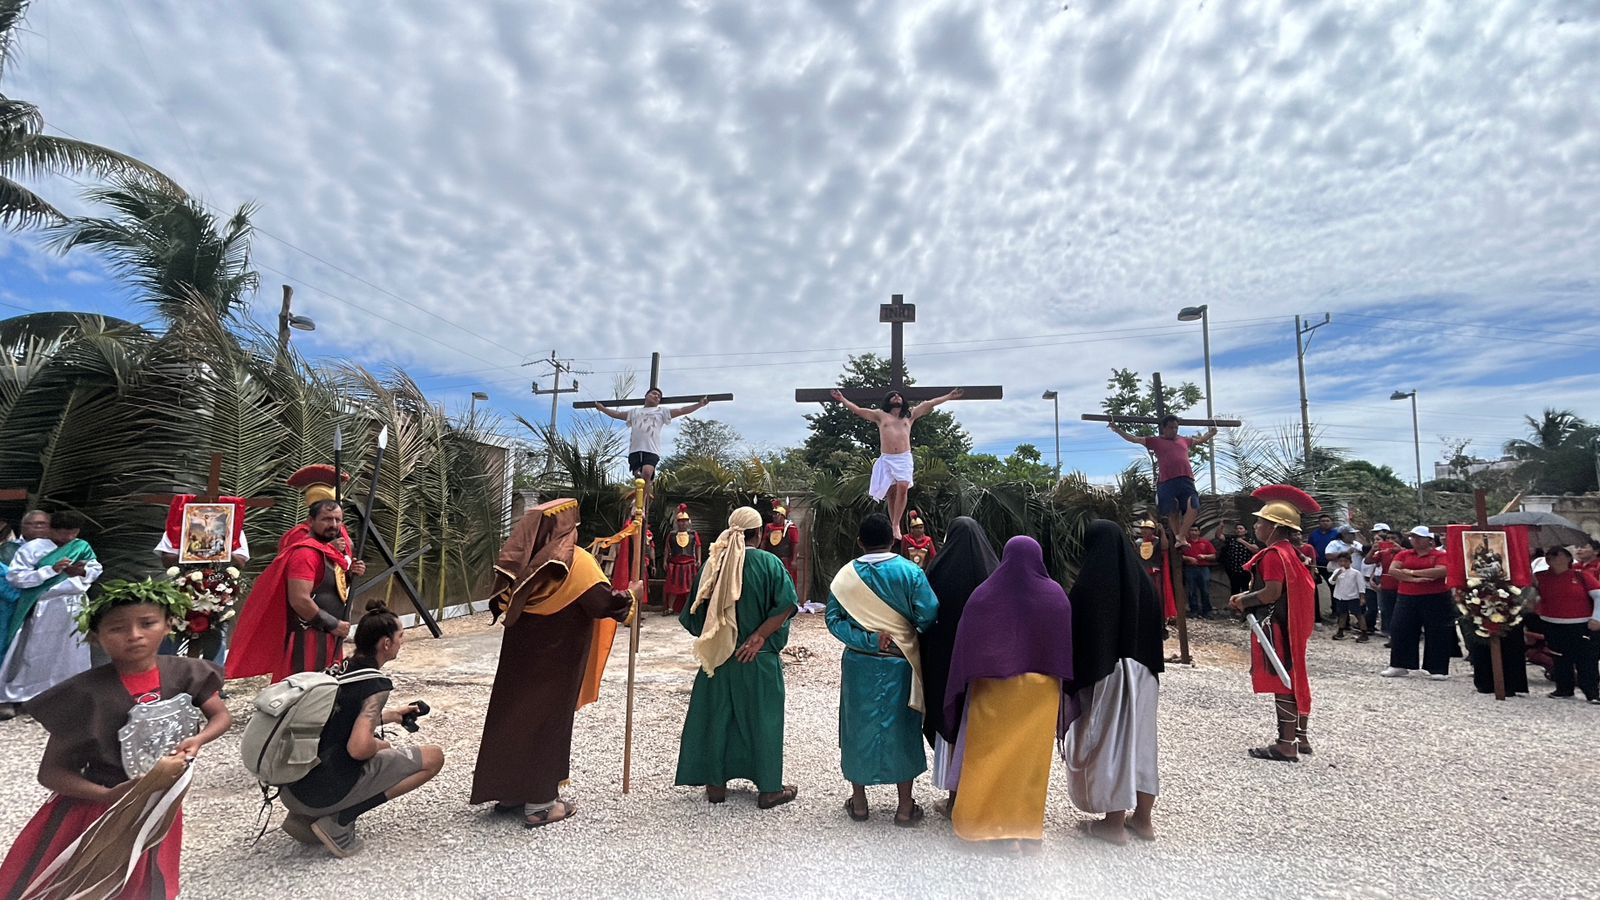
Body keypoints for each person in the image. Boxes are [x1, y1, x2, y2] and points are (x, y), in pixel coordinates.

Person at [0, 578, 231, 898]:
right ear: (96, 637)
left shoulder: (186, 673)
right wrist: (107, 796)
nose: (134, 635)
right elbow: (51, 773)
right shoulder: (85, 695)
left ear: (168, 625)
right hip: (97, 812)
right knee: (90, 885)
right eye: (117, 628)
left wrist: (199, 739)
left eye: (147, 623)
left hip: (159, 803)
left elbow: (220, 716)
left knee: (146, 879)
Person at [471, 499, 638, 827]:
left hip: (519, 661)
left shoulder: (522, 561)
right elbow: (604, 603)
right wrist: (632, 593)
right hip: (557, 663)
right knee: (547, 723)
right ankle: (541, 804)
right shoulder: (577, 563)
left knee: (514, 717)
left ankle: (511, 792)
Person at [281, 600, 445, 857]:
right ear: (386, 644)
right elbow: (358, 749)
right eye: (401, 635)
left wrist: (391, 717)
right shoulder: (376, 685)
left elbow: (341, 718)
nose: (403, 641)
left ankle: (302, 818)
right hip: (322, 791)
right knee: (433, 758)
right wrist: (381, 745)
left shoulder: (341, 668)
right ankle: (339, 820)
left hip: (293, 787)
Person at [939, 536, 1074, 848]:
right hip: (1041, 692)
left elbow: (965, 645)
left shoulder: (985, 595)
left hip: (994, 689)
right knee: (1030, 764)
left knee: (988, 758)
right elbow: (1063, 646)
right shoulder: (1055, 596)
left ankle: (986, 826)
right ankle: (1024, 829)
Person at [674, 507, 799, 808]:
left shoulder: (712, 565)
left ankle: (716, 786)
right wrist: (759, 636)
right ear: (759, 534)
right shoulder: (769, 563)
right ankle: (769, 790)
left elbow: (693, 617)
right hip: (758, 660)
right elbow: (787, 604)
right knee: (763, 721)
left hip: (717, 662)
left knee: (717, 720)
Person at [826, 512, 938, 825]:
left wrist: (868, 640)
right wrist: (905, 632)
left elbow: (833, 621)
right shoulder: (910, 572)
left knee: (856, 727)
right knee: (902, 728)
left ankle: (859, 803)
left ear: (860, 542)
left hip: (860, 662)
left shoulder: (845, 576)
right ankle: (904, 807)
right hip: (900, 663)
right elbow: (929, 613)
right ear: (893, 540)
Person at [1066, 520, 1165, 845]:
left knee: (1111, 745)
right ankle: (1144, 820)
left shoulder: (1092, 582)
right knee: (1142, 743)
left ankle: (1113, 823)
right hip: (1145, 671)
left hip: (1110, 672)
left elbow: (1081, 635)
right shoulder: (1142, 581)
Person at [226, 500, 367, 683]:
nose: (333, 525)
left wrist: (350, 575)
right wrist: (334, 624)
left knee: (325, 692)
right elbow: (299, 599)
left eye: (337, 520)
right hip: (308, 638)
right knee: (304, 692)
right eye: (326, 519)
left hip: (329, 636)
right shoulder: (305, 554)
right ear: (311, 520)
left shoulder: (329, 552)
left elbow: (328, 586)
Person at [1228, 485, 1318, 763]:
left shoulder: (1273, 555)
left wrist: (1243, 599)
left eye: (1260, 522)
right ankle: (1299, 737)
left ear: (1274, 527)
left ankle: (1286, 744)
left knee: (1283, 682)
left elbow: (1270, 593)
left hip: (1276, 624)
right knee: (1291, 677)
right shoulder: (1291, 552)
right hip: (1287, 624)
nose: (1256, 526)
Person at [917, 517, 999, 811]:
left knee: (950, 720)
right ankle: (981, 799)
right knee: (980, 728)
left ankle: (954, 801)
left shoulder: (938, 569)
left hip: (945, 662)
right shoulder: (993, 571)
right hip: (983, 667)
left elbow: (925, 615)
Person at [1, 510, 102, 720]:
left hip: (74, 605)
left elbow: (95, 568)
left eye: (72, 533)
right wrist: (50, 571)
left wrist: (82, 572)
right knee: (35, 652)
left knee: (73, 653)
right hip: (45, 606)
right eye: (62, 533)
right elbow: (16, 577)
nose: (67, 538)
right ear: (52, 529)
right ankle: (26, 695)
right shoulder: (32, 549)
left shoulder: (81, 546)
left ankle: (70, 694)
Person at [829, 387, 963, 540]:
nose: (897, 397)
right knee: (891, 493)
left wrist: (949, 396)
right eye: (893, 396)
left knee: (903, 487)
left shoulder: (909, 415)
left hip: (903, 458)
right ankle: (893, 523)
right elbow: (859, 410)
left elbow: (929, 403)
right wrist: (842, 399)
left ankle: (895, 524)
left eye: (899, 395)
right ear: (888, 400)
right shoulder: (881, 415)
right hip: (887, 458)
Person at [1108, 416, 1216, 547]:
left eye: (1176, 427)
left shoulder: (1184, 440)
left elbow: (1200, 440)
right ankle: (1179, 537)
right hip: (1167, 480)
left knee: (1194, 505)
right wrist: (1117, 429)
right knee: (1172, 509)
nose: (1174, 430)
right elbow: (1134, 439)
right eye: (1171, 427)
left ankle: (1181, 535)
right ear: (1164, 428)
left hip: (1186, 478)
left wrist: (1211, 433)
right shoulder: (1156, 441)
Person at [1380, 526, 1454, 680]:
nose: (1415, 540)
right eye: (1413, 537)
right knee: (1401, 628)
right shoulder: (1404, 554)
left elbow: (1441, 571)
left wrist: (1411, 572)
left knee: (1437, 631)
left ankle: (1437, 667)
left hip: (1436, 596)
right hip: (1407, 596)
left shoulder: (1440, 555)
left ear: (1429, 540)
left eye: (1419, 537)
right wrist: (1415, 579)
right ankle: (1399, 664)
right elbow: (1394, 571)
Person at [592, 388, 710, 482]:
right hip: (635, 450)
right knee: (638, 477)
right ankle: (638, 502)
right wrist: (602, 408)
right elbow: (617, 414)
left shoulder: (662, 411)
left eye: (659, 396)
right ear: (646, 395)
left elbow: (682, 410)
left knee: (647, 473)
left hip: (651, 449)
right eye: (654, 394)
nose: (656, 397)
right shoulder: (634, 412)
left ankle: (642, 504)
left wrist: (699, 404)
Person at [1532, 547, 1600, 703]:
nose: (1552, 558)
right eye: (1549, 555)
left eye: (1557, 554)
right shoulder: (1540, 577)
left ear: (1569, 559)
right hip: (1552, 623)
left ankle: (1592, 692)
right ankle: (1564, 688)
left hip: (1580, 624)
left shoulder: (1582, 576)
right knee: (1559, 657)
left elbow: (1598, 597)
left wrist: (1597, 618)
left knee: (1586, 659)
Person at [0, 508, 51, 661]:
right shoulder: (8, 549)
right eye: (33, 524)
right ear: (23, 526)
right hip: (11, 609)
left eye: (43, 524)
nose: (38, 527)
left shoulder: (62, 550)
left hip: (47, 610)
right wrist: (25, 600)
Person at [663, 504, 702, 615]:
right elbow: (667, 548)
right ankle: (670, 608)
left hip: (689, 563)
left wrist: (699, 559)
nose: (683, 523)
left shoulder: (693, 534)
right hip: (675, 564)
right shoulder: (671, 534)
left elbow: (698, 546)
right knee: (672, 587)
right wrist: (665, 560)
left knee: (689, 587)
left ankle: (689, 607)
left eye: (685, 521)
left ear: (688, 522)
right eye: (681, 521)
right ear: (677, 522)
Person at [1135, 519, 1175, 621]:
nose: (1144, 531)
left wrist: (1162, 533)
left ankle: (1160, 618)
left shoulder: (1158, 541)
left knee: (1158, 595)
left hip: (1155, 573)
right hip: (1142, 572)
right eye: (1143, 528)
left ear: (1153, 530)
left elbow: (1165, 547)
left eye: (1147, 529)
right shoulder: (1137, 542)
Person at [1368, 524, 1402, 635]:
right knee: (1386, 610)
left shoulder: (1406, 552)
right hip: (1386, 585)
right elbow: (1368, 561)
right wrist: (1372, 550)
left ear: (1400, 540)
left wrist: (1399, 549)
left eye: (1394, 538)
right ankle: (1389, 634)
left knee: (1401, 611)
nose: (1390, 541)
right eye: (1388, 538)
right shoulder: (1383, 553)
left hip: (1402, 586)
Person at [1327, 552, 1369, 642]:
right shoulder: (1337, 571)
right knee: (1342, 614)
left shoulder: (1356, 573)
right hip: (1341, 597)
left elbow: (1361, 586)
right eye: (1341, 561)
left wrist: (1362, 597)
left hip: (1353, 597)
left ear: (1350, 562)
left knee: (1358, 615)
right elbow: (1331, 582)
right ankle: (1340, 631)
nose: (1343, 563)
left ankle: (1364, 633)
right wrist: (1336, 575)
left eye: (1345, 561)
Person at [764, 500, 801, 589]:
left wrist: (794, 560)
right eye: (773, 514)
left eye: (777, 514)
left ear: (783, 516)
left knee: (786, 582)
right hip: (771, 559)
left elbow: (795, 543)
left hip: (785, 560)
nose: (774, 516)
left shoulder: (790, 528)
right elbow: (764, 542)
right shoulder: (769, 527)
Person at [1180, 526, 1216, 618]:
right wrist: (1188, 558)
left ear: (1199, 532)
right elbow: (1179, 556)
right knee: (1192, 591)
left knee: (1205, 590)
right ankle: (1194, 611)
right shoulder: (1184, 543)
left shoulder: (1205, 542)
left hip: (1204, 569)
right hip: (1190, 568)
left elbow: (1213, 556)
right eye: (1191, 530)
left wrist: (1204, 557)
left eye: (1195, 530)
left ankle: (1207, 611)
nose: (1193, 532)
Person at [1218, 522, 1260, 599]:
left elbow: (1256, 550)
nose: (1238, 530)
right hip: (1233, 569)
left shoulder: (1250, 540)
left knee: (1246, 588)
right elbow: (1219, 536)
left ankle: (1246, 607)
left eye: (1241, 528)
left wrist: (1242, 541)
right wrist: (1220, 527)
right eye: (1237, 529)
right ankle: (1234, 606)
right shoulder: (1231, 539)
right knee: (1234, 589)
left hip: (1246, 570)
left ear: (1245, 531)